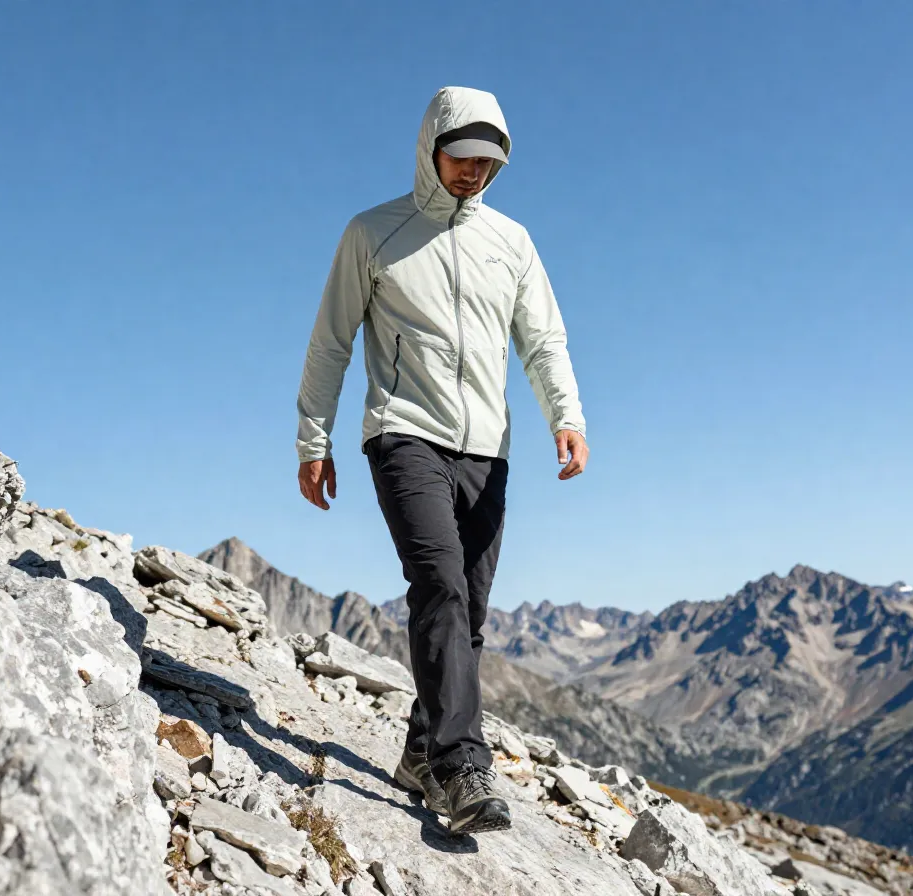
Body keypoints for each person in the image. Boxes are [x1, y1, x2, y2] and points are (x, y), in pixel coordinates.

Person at [295, 86, 588, 836]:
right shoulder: (373, 232)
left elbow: (543, 340)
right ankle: (462, 769)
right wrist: (313, 439)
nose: (475, 174)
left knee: (471, 610)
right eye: (463, 158)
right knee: (439, 586)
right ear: (431, 147)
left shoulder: (512, 242)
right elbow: (332, 340)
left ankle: (421, 752)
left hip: (487, 447)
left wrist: (567, 417)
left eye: (489, 163)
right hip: (403, 433)